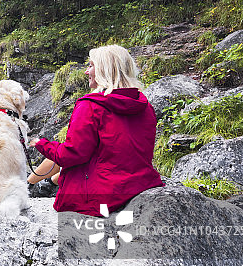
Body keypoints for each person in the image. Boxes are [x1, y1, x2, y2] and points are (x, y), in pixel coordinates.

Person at [27, 45, 164, 216]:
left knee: (61, 150)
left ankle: (33, 185)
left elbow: (71, 155)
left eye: (90, 65)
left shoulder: (91, 106)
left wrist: (41, 144)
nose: (86, 72)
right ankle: (41, 184)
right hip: (139, 185)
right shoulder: (144, 106)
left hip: (100, 198)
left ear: (104, 70)